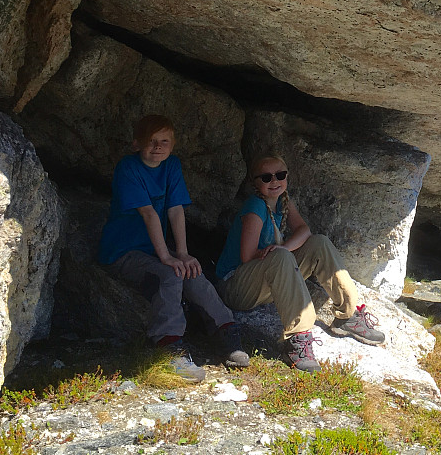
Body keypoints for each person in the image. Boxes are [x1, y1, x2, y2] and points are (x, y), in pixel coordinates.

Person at [98, 115, 248, 382]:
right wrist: (166, 256)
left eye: (164, 141)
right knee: (169, 275)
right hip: (123, 251)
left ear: (173, 144)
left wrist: (182, 252)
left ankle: (225, 330)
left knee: (192, 271)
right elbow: (149, 214)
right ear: (136, 144)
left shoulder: (171, 166)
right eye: (151, 141)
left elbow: (175, 209)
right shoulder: (128, 168)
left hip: (155, 248)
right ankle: (169, 346)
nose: (158, 147)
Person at [215, 154, 385, 373]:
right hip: (236, 287)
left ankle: (347, 315)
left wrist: (284, 249)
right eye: (266, 177)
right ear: (254, 182)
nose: (274, 181)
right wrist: (281, 255)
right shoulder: (255, 207)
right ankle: (298, 337)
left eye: (280, 175)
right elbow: (247, 257)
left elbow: (304, 230)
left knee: (319, 243)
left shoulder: (283, 201)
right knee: (282, 256)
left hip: (265, 280)